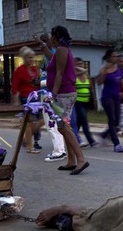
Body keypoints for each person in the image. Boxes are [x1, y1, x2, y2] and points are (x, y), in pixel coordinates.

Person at [47, 25, 89, 175]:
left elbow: (59, 74)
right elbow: (53, 63)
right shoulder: (60, 51)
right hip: (63, 93)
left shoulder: (61, 50)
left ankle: (81, 159)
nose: (50, 38)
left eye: (51, 36)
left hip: (64, 93)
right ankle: (71, 161)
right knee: (63, 127)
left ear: (56, 36)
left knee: (64, 126)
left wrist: (53, 93)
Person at [34, 32, 67, 162]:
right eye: (42, 41)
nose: (43, 43)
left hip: (50, 93)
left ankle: (59, 151)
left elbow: (53, 60)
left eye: (46, 40)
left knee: (51, 122)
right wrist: (39, 81)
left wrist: (42, 45)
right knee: (51, 122)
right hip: (45, 91)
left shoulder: (53, 52)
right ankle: (60, 149)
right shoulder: (46, 54)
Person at [12, 46, 44, 154]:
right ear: (24, 58)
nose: (31, 60)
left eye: (32, 58)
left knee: (43, 119)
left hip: (37, 97)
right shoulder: (19, 70)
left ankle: (26, 138)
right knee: (29, 123)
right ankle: (30, 147)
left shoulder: (35, 69)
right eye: (29, 57)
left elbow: (38, 83)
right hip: (26, 98)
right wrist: (16, 100)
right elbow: (15, 86)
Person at [96, 49, 123, 153]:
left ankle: (104, 134)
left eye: (117, 56)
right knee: (112, 120)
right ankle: (116, 144)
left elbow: (121, 82)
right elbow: (99, 82)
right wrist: (104, 73)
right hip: (107, 98)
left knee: (117, 121)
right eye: (114, 56)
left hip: (117, 97)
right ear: (108, 57)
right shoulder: (104, 68)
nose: (116, 58)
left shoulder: (118, 68)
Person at [72, 57, 98, 148]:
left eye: (81, 64)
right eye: (78, 64)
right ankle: (91, 141)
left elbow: (91, 87)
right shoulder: (74, 75)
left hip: (86, 102)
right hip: (77, 102)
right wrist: (82, 70)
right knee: (84, 121)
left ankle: (72, 138)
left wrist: (94, 98)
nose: (80, 66)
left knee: (79, 122)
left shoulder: (86, 75)